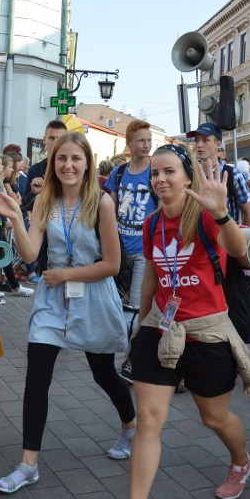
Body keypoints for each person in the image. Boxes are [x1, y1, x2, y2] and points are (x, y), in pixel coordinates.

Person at [96, 144, 250, 499]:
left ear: (187, 177)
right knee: (149, 420)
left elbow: (240, 252)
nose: (160, 180)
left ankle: (241, 462)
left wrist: (221, 211)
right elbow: (152, 274)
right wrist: (142, 323)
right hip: (161, 328)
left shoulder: (204, 216)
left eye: (169, 172)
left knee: (214, 418)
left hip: (206, 331)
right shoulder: (153, 224)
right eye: (154, 173)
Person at [0, 132, 136, 493]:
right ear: (53, 163)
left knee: (103, 374)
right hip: (53, 302)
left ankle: (130, 425)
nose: (68, 165)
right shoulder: (44, 201)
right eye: (61, 158)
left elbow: (112, 265)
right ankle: (28, 464)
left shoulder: (102, 203)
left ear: (87, 164)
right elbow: (31, 253)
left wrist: (66, 273)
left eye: (75, 159)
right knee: (36, 379)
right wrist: (16, 219)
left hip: (93, 297)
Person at [103, 120, 157, 383]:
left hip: (146, 253)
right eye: (141, 140)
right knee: (117, 306)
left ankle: (131, 361)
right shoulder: (120, 173)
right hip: (120, 251)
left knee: (135, 310)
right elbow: (109, 210)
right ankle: (131, 355)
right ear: (129, 143)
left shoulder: (155, 172)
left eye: (149, 140)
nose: (146, 145)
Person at [21, 120, 69, 284]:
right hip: (44, 235)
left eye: (60, 138)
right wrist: (34, 192)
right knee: (46, 280)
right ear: (44, 140)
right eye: (52, 138)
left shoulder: (71, 168)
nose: (55, 143)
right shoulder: (35, 169)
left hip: (69, 233)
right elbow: (25, 202)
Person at [189, 123, 250, 227]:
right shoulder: (190, 174)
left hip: (225, 238)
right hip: (198, 238)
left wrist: (240, 238)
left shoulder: (233, 174)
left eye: (205, 140)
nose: (199, 145)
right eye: (196, 140)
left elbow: (248, 212)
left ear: (218, 144)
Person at [0, 154, 34, 298]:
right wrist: (14, 203)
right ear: (0, 168)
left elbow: (18, 201)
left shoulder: (2, 182)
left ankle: (7, 285)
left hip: (0, 224)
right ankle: (0, 285)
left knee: (3, 256)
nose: (10, 169)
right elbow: (12, 203)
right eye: (7, 166)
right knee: (2, 256)